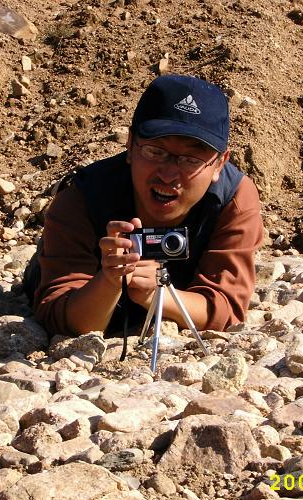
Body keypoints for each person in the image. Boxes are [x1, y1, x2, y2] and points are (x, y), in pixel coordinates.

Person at [30, 74, 264, 337]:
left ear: (219, 164)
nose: (168, 175)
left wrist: (158, 294)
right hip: (89, 288)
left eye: (191, 160)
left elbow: (226, 311)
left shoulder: (233, 199)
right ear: (130, 145)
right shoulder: (84, 196)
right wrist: (109, 280)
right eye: (155, 152)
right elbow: (59, 315)